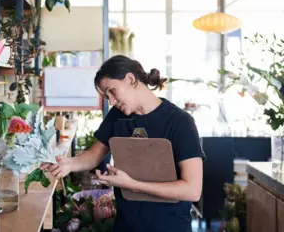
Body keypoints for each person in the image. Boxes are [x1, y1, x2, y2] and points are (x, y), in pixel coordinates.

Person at [40, 55, 205, 232]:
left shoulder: (179, 122)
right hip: (126, 225)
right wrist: (69, 164)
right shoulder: (117, 117)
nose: (111, 101)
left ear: (130, 79)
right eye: (106, 96)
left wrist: (131, 184)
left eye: (112, 91)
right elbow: (94, 156)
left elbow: (192, 190)